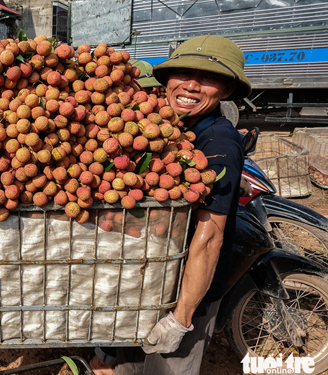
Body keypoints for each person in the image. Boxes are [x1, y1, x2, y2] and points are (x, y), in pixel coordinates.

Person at [91, 34, 251, 375]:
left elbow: (210, 236)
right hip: (149, 280)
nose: (191, 85)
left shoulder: (219, 141)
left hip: (185, 294)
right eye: (182, 74)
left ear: (226, 91)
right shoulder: (168, 128)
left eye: (208, 78)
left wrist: (181, 319)